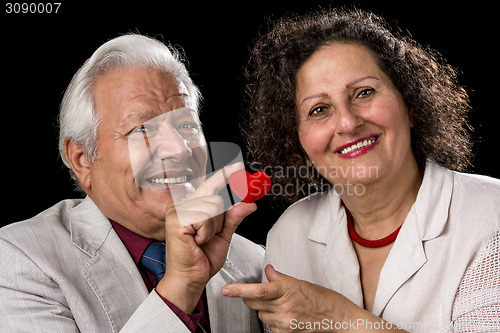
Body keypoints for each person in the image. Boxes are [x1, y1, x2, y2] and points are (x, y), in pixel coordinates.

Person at [222, 8, 500, 333]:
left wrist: (339, 318)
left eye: (364, 93)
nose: (348, 122)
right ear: (295, 138)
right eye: (319, 109)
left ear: (410, 102)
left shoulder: (491, 216)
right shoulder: (289, 234)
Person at [0, 34, 264, 332]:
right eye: (142, 129)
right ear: (82, 158)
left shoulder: (255, 261)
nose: (178, 149)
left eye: (186, 125)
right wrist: (180, 287)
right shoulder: (20, 262)